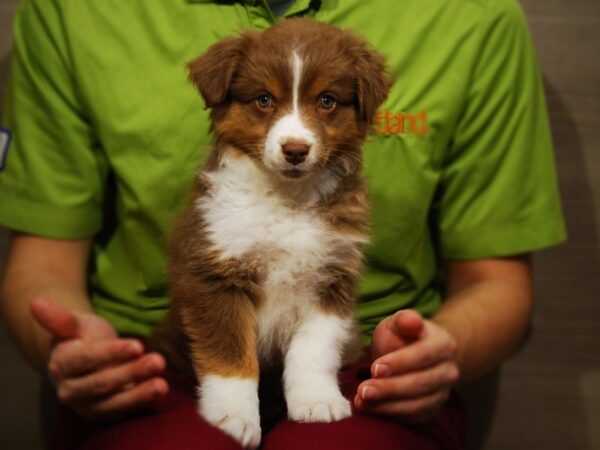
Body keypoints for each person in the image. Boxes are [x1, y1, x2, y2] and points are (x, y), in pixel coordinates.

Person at [0, 0, 566, 448]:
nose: (295, 136)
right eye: (265, 102)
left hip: (365, 369)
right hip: (160, 365)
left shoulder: (476, 16)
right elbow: (43, 264)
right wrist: (67, 340)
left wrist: (442, 348)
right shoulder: (70, 10)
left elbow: (498, 283)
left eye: (327, 103)